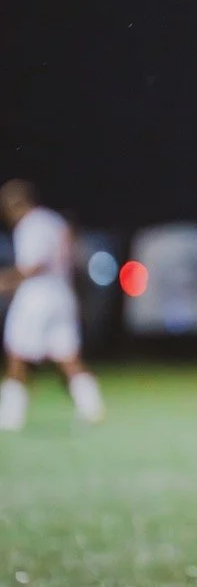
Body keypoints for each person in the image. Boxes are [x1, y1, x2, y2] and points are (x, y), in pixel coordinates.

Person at [0, 180, 105, 431]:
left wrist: (7, 281)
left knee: (17, 354)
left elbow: (34, 264)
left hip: (38, 297)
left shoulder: (30, 225)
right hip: (61, 293)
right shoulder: (54, 221)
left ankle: (10, 415)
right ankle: (91, 406)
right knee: (67, 355)